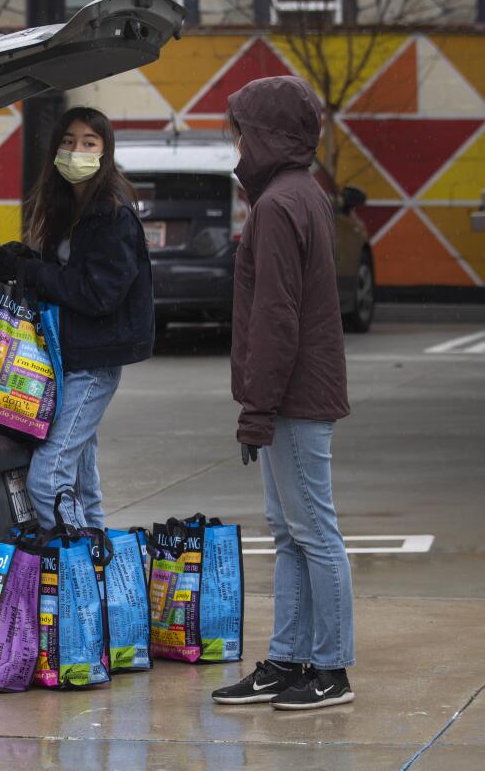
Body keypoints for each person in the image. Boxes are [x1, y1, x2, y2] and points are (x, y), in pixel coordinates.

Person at [210, 76, 355, 711]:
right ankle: (293, 659)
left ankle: (330, 669)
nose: (235, 145)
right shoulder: (305, 195)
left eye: (239, 132)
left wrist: (256, 409)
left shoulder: (275, 206)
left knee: (312, 532)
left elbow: (276, 317)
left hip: (293, 397)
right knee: (292, 532)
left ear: (264, 135)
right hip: (298, 394)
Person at [0, 107, 153, 531]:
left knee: (48, 480)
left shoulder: (112, 215)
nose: (76, 150)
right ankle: (101, 581)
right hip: (69, 359)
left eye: (88, 143)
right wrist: (27, 259)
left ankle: (75, 573)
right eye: (68, 141)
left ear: (105, 151)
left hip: (92, 364)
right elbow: (67, 272)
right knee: (81, 484)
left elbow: (98, 293)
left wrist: (36, 273)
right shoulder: (70, 208)